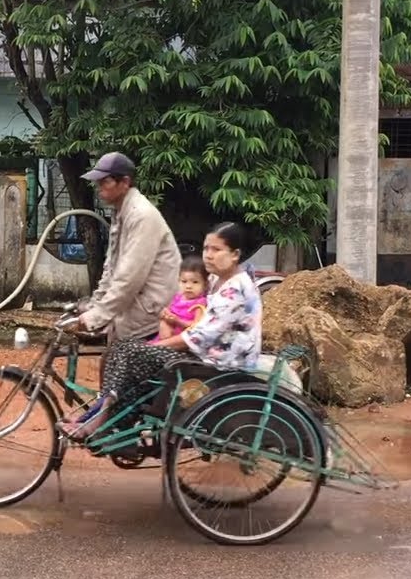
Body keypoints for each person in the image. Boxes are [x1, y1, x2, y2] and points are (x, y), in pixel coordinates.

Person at [61, 222, 263, 440]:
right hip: (203, 355)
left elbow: (198, 336)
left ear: (235, 255)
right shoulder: (215, 280)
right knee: (121, 347)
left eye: (216, 249)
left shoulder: (235, 290)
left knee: (133, 352)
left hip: (220, 365)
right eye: (206, 248)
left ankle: (103, 421)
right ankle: (101, 416)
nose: (208, 255)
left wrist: (155, 345)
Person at [74, 152, 181, 342]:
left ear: (125, 182)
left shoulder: (141, 215)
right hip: (135, 310)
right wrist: (95, 305)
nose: (99, 187)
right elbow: (111, 268)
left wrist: (98, 316)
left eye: (105, 181)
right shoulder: (121, 212)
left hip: (152, 315)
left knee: (122, 359)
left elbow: (129, 277)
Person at [154, 255, 209, 342]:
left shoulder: (200, 303)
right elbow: (168, 311)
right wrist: (164, 315)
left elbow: (196, 326)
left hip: (180, 340)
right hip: (164, 337)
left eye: (195, 282)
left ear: (205, 285)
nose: (188, 286)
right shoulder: (178, 297)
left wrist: (178, 321)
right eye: (184, 281)